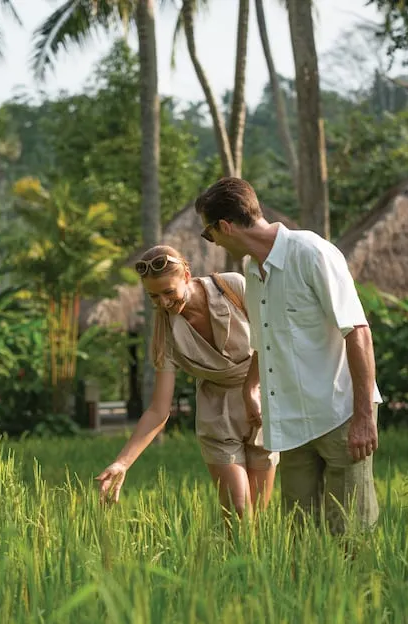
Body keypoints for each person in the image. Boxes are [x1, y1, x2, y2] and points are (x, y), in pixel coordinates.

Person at [195, 177, 382, 535]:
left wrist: (363, 416)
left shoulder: (311, 253)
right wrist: (251, 388)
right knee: (300, 535)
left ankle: (362, 593)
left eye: (209, 233)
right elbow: (262, 341)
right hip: (292, 423)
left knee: (350, 532)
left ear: (225, 226)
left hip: (340, 413)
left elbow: (358, 332)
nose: (213, 242)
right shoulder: (252, 270)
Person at [95, 245, 279, 520]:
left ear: (187, 277)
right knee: (239, 513)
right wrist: (123, 462)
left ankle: (257, 563)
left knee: (260, 516)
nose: (163, 303)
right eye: (154, 296)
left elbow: (269, 337)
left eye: (168, 292)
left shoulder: (231, 286)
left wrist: (251, 388)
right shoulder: (164, 334)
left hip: (261, 401)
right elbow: (159, 409)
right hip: (217, 411)